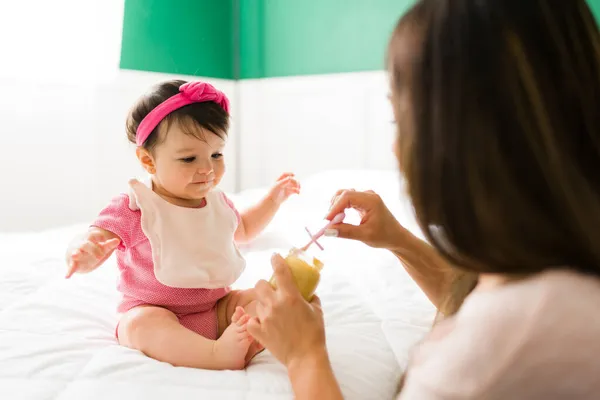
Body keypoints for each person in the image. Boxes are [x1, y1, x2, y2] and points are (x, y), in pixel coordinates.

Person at [246, 0, 600, 398]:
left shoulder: (487, 356)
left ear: (467, 137)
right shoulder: (552, 272)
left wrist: (304, 357)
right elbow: (470, 299)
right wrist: (397, 239)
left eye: (403, 120)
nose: (397, 150)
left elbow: (490, 327)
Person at [64, 80, 300, 370]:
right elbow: (95, 236)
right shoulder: (136, 207)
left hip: (217, 309)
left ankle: (241, 341)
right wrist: (83, 251)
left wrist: (273, 200)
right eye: (189, 158)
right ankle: (215, 355)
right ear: (149, 161)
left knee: (267, 297)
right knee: (138, 325)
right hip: (158, 314)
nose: (208, 169)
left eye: (216, 154)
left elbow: (246, 229)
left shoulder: (217, 204)